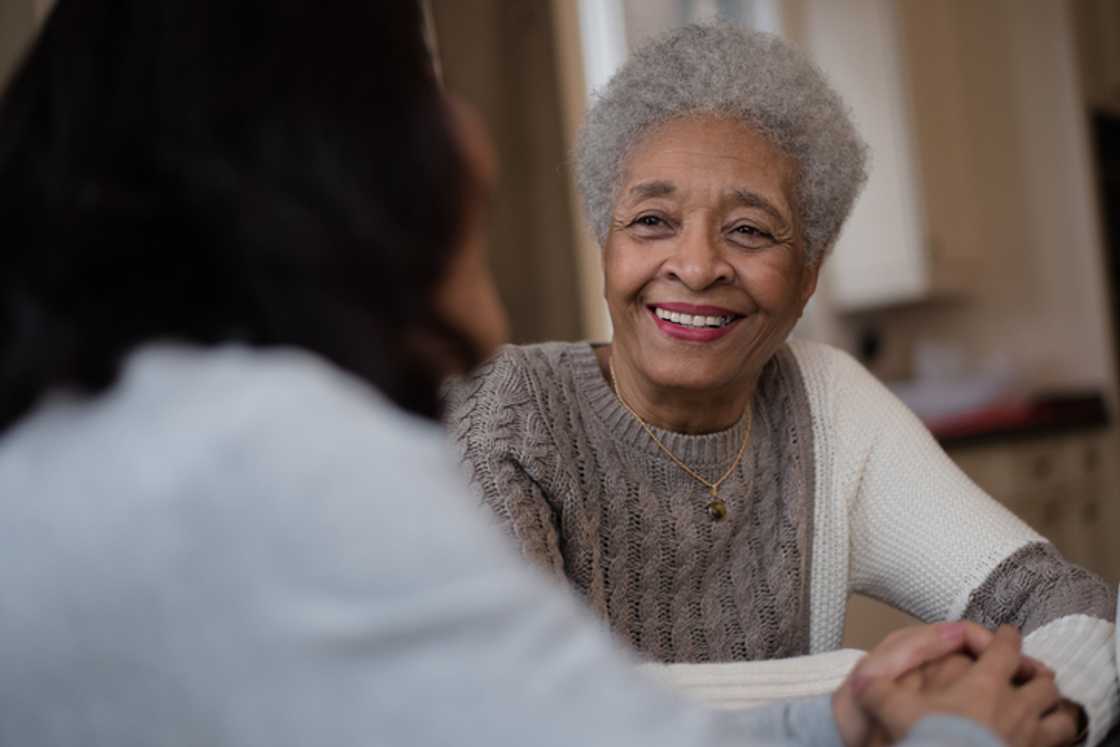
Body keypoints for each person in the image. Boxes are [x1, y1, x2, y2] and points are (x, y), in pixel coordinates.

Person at [0, 1, 1071, 745]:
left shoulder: (116, 444)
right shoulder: (285, 461)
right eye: (416, 90)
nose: (469, 135)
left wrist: (834, 719)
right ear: (324, 164)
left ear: (810, 270)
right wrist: (942, 729)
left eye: (750, 230)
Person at [445, 21, 1118, 744]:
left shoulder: (828, 403)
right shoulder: (510, 409)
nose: (696, 266)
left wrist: (1050, 719)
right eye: (652, 220)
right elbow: (517, 697)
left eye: (749, 230)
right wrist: (867, 693)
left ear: (808, 276)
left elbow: (1070, 602)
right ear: (606, 246)